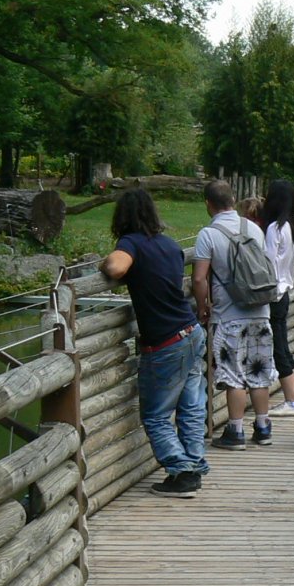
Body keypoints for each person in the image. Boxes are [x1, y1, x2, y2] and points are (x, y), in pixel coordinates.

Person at [98, 189, 208, 498]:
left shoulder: (131, 242)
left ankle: (182, 472)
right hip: (191, 331)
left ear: (122, 218)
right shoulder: (169, 245)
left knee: (156, 414)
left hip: (165, 342)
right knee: (190, 407)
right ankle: (194, 463)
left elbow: (117, 268)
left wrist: (105, 265)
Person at [193, 179, 277, 450]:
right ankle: (263, 427)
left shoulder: (208, 234)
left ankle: (236, 431)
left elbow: (198, 279)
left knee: (234, 373)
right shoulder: (252, 227)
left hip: (230, 315)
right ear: (232, 200)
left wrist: (202, 305)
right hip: (260, 311)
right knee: (259, 369)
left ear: (208, 203)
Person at [261, 179, 294, 417]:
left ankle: (292, 401)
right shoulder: (292, 227)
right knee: (284, 344)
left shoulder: (274, 229)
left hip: (273, 292)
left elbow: (267, 262)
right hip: (286, 290)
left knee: (278, 345)